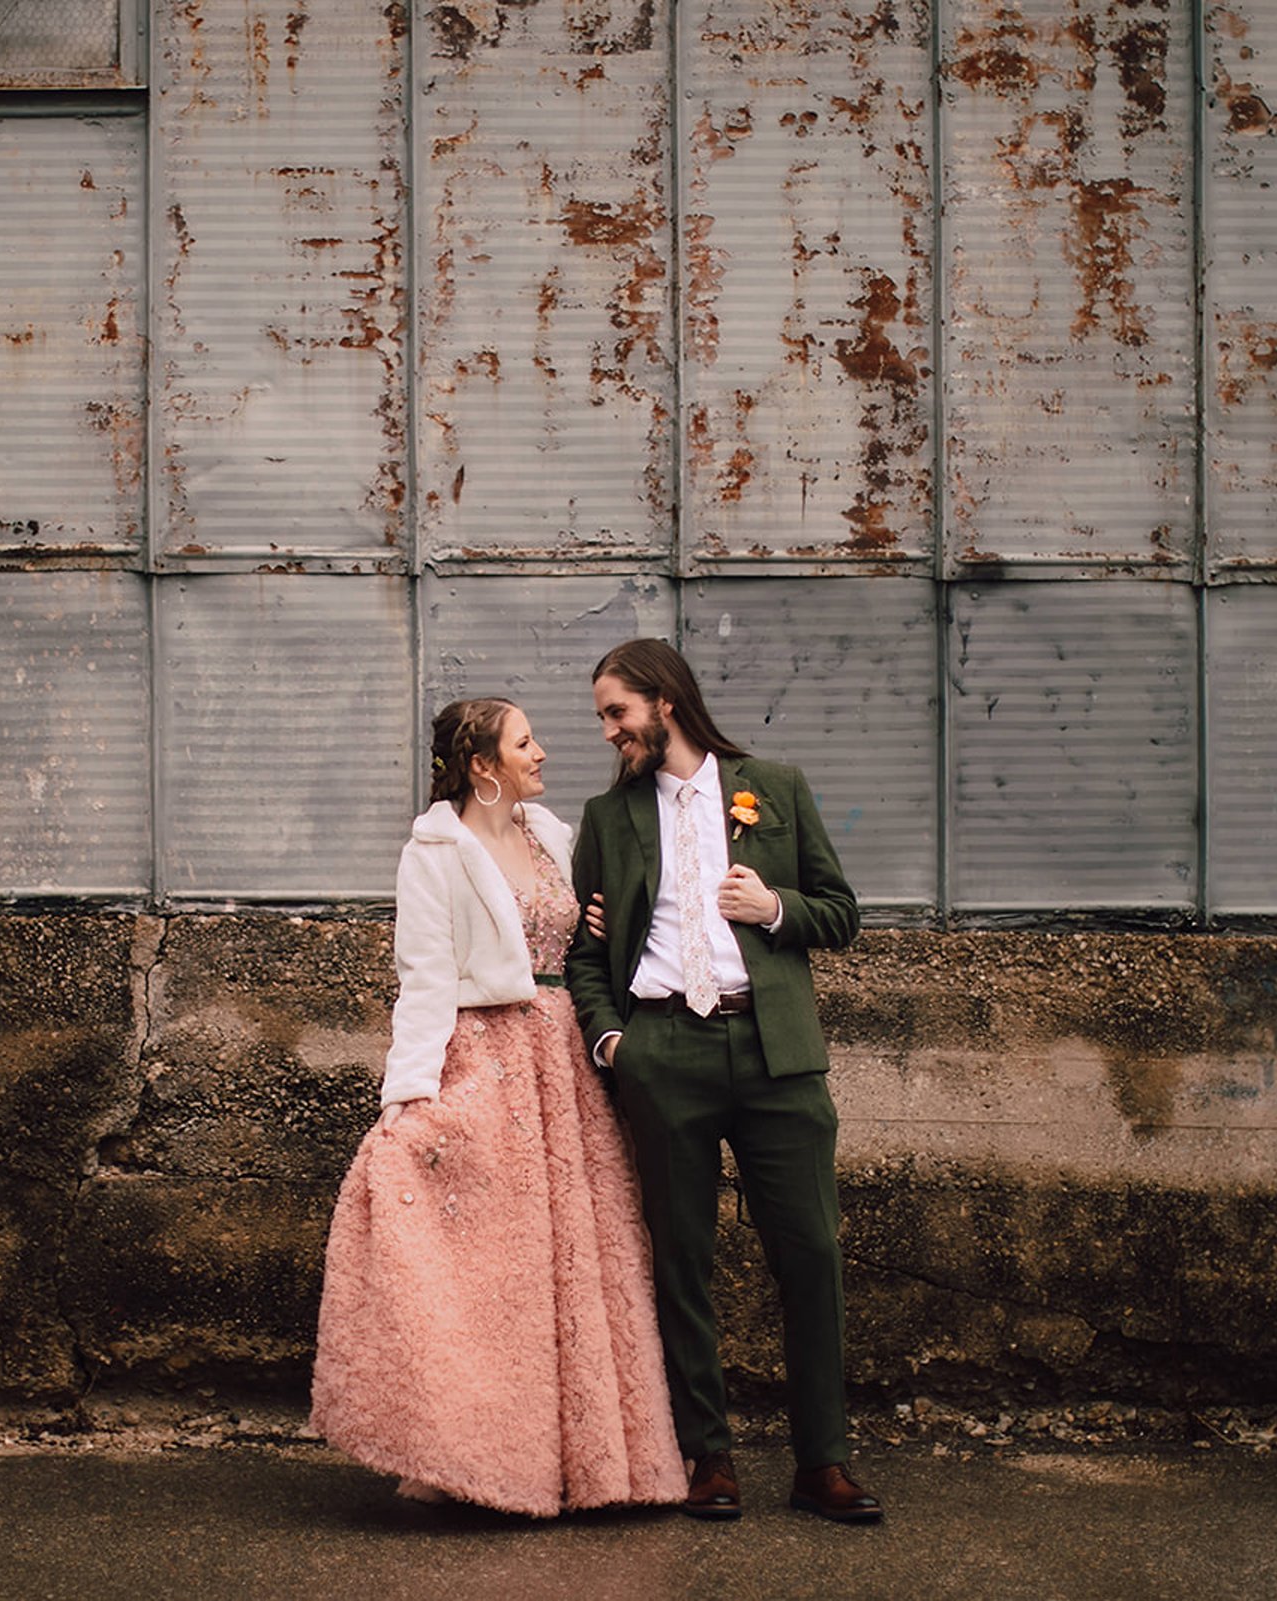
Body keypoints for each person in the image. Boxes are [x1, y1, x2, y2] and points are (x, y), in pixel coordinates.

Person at [311, 698, 686, 1517]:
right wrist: (407, 1093)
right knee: (500, 1270)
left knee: (581, 1258)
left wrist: (594, 927)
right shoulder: (434, 851)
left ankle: (592, 1465)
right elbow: (423, 978)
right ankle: (481, 1455)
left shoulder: (552, 834)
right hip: (485, 1056)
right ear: (484, 765)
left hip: (567, 1056)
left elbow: (584, 940)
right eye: (524, 743)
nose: (542, 752)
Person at [563, 637, 882, 1525]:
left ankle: (824, 1462)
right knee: (681, 1261)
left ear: (664, 702)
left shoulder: (771, 787)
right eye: (601, 717)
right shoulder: (607, 815)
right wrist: (614, 1041)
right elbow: (585, 955)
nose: (608, 732)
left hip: (777, 1051)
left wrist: (773, 908)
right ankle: (707, 1456)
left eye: (616, 712)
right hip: (665, 1051)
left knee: (812, 1253)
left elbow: (842, 911)